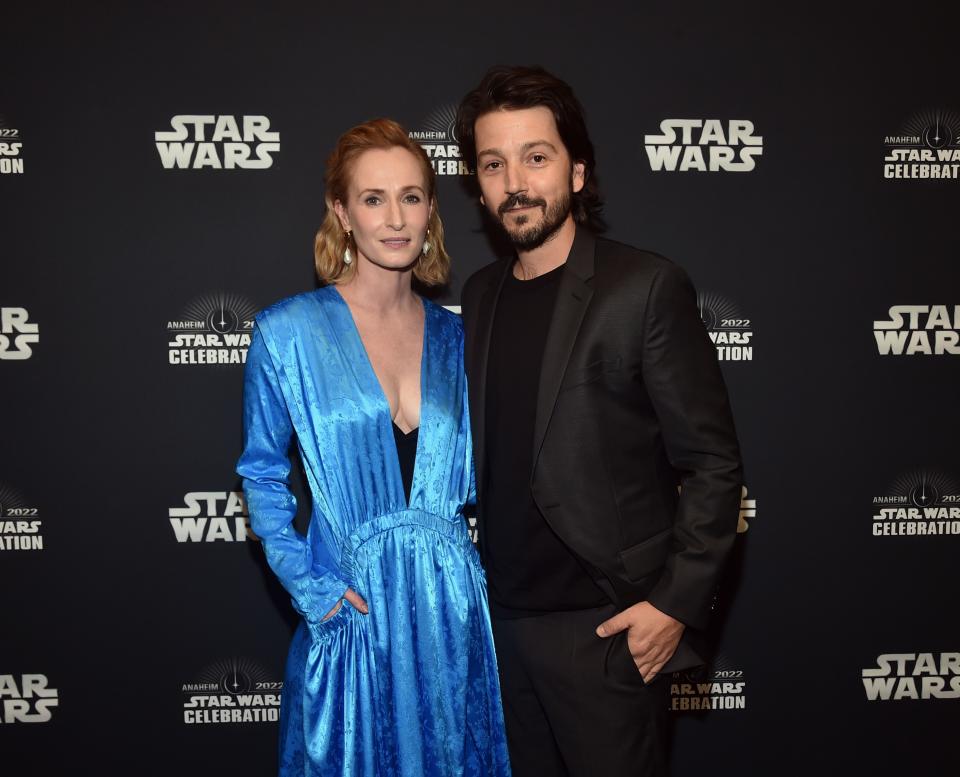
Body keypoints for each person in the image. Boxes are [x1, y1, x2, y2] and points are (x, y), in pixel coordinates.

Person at [455, 66, 743, 776]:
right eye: (494, 164)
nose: (514, 180)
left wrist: (672, 605)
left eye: (536, 156)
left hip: (607, 630)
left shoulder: (643, 287)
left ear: (578, 171)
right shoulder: (481, 293)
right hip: (503, 629)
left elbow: (713, 465)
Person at [237, 118, 511, 777]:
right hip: (351, 615)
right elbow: (262, 472)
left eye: (412, 197)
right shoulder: (287, 333)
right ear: (341, 210)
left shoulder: (463, 338)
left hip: (452, 619)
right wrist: (310, 586)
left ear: (432, 211)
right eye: (373, 198)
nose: (395, 218)